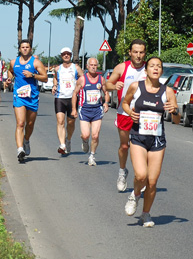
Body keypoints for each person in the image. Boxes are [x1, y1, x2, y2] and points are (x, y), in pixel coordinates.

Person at [120, 56, 179, 227]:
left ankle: (145, 214)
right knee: (141, 175)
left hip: (157, 140)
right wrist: (130, 113)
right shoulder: (135, 87)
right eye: (152, 66)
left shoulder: (167, 92)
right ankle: (135, 194)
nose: (155, 68)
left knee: (152, 181)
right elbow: (125, 103)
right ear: (145, 70)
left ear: (161, 71)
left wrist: (174, 111)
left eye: (159, 66)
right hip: (138, 136)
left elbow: (176, 119)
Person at [105, 39, 147, 192]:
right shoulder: (122, 67)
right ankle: (122, 172)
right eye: (135, 52)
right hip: (125, 113)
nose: (138, 55)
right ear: (130, 52)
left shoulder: (148, 68)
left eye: (141, 52)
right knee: (124, 146)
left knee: (142, 147)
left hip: (144, 114)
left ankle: (140, 176)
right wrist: (114, 86)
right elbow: (107, 84)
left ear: (145, 53)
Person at [6, 39, 48, 162]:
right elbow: (10, 71)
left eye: (27, 47)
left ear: (30, 49)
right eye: (23, 47)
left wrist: (33, 75)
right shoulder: (14, 62)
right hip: (19, 96)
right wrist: (9, 78)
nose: (25, 49)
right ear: (19, 49)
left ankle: (26, 140)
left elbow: (45, 78)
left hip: (32, 96)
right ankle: (20, 149)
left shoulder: (36, 63)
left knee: (30, 124)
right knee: (20, 123)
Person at [72, 57, 109, 166]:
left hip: (97, 110)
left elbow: (106, 92)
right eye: (91, 65)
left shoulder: (101, 79)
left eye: (95, 65)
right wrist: (74, 109)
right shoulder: (82, 79)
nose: (93, 67)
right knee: (86, 135)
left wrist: (106, 103)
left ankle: (92, 156)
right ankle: (84, 140)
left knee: (95, 135)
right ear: (87, 67)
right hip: (84, 110)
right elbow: (75, 93)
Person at [52, 47, 83, 155]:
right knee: (60, 121)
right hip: (60, 97)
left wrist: (80, 87)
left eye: (68, 54)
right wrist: (54, 85)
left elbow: (83, 79)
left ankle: (68, 139)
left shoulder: (76, 68)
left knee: (71, 122)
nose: (66, 55)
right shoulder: (57, 68)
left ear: (70, 55)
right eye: (64, 54)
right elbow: (55, 78)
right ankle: (62, 144)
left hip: (72, 98)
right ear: (61, 56)